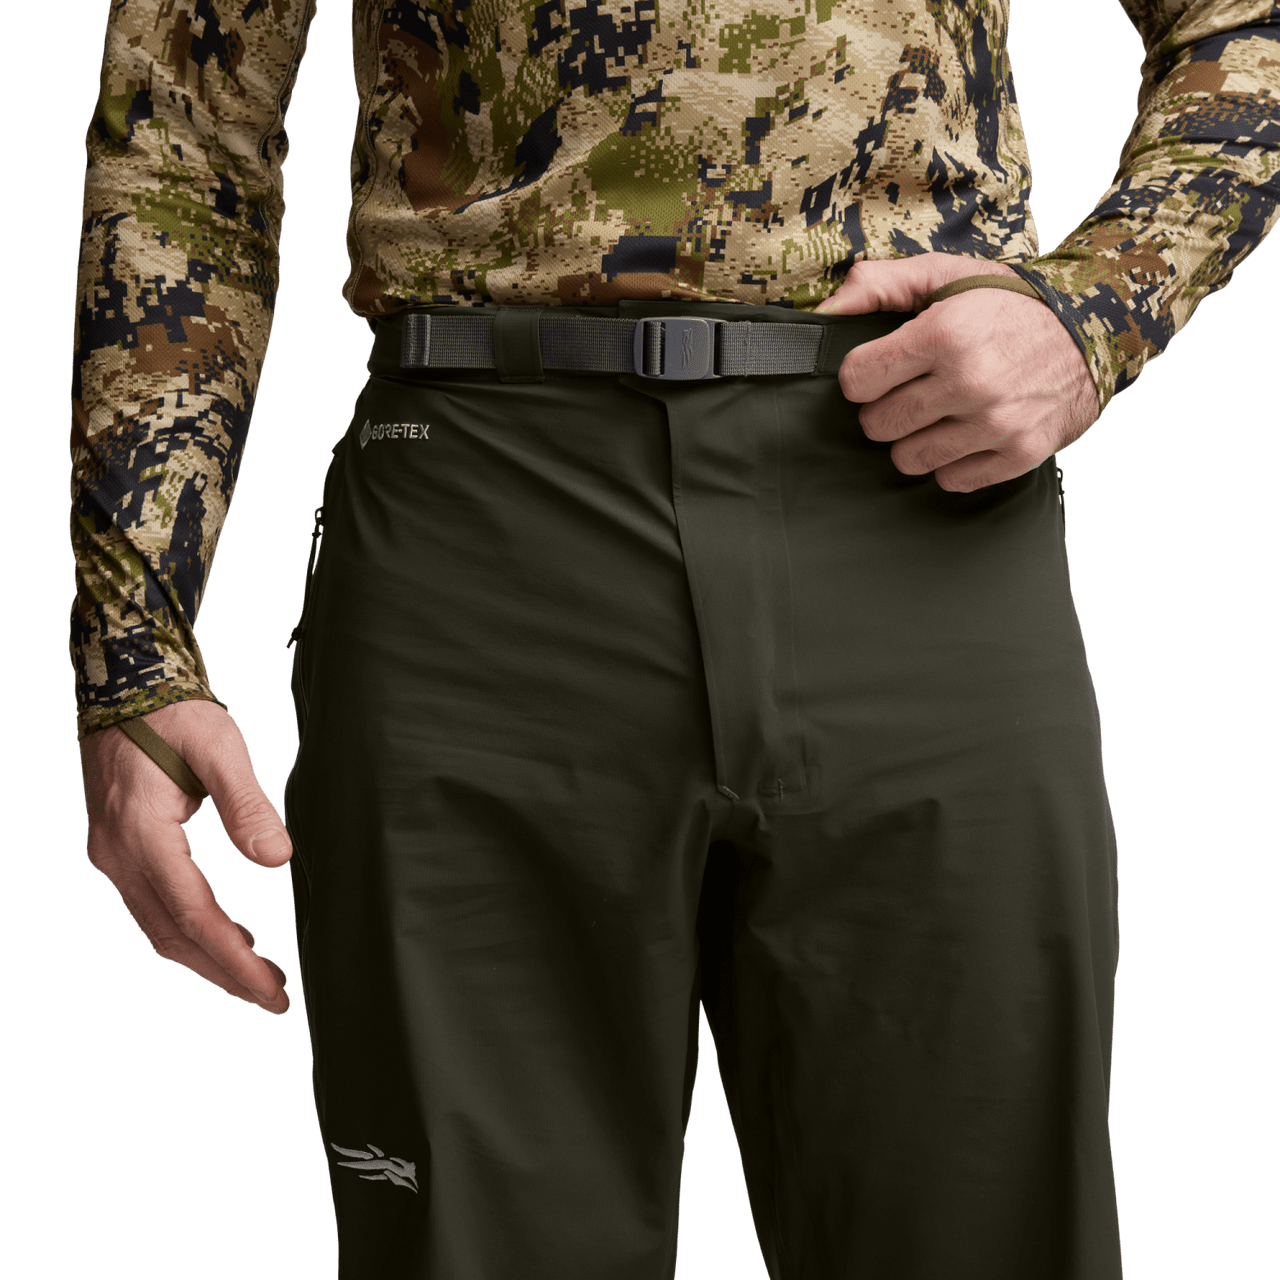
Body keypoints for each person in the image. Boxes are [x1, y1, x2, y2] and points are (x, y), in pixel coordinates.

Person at [71, 2, 1276, 1276]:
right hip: (483, 524)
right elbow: (178, 131)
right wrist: (132, 646)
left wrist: (1094, 309)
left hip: (917, 491)